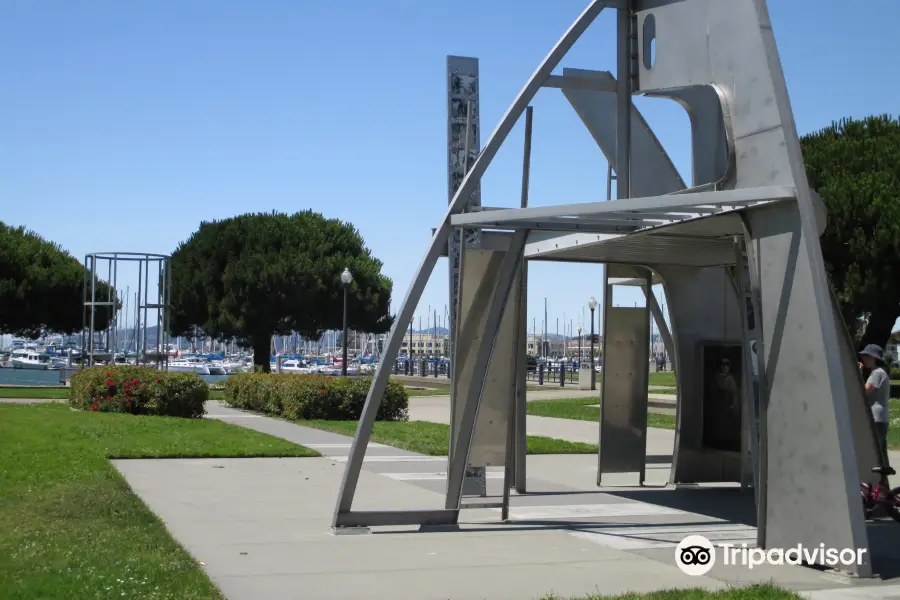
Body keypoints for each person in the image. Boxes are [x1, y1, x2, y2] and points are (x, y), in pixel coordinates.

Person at [859, 344, 891, 465]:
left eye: (866, 356)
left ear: (873, 357)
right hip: (880, 417)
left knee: (874, 451)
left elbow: (863, 391)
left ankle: (877, 480)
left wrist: (857, 373)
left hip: (876, 417)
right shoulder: (880, 372)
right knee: (879, 452)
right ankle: (882, 480)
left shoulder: (877, 373)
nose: (864, 359)